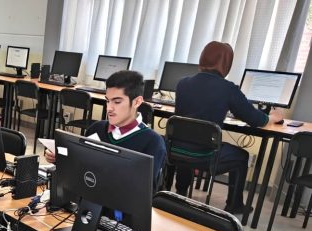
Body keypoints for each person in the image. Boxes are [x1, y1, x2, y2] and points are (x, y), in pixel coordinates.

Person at [174, 41, 283, 215]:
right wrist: (272, 117)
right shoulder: (228, 89)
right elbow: (256, 120)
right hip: (205, 154)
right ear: (227, 64)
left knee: (188, 142)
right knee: (241, 156)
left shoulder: (183, 83)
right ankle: (235, 205)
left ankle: (180, 191)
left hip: (176, 150)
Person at [46, 70, 166, 184]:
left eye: (117, 102)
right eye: (108, 101)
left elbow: (145, 192)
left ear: (137, 102)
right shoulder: (97, 128)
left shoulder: (153, 142)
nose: (109, 108)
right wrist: (59, 158)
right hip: (87, 198)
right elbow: (80, 165)